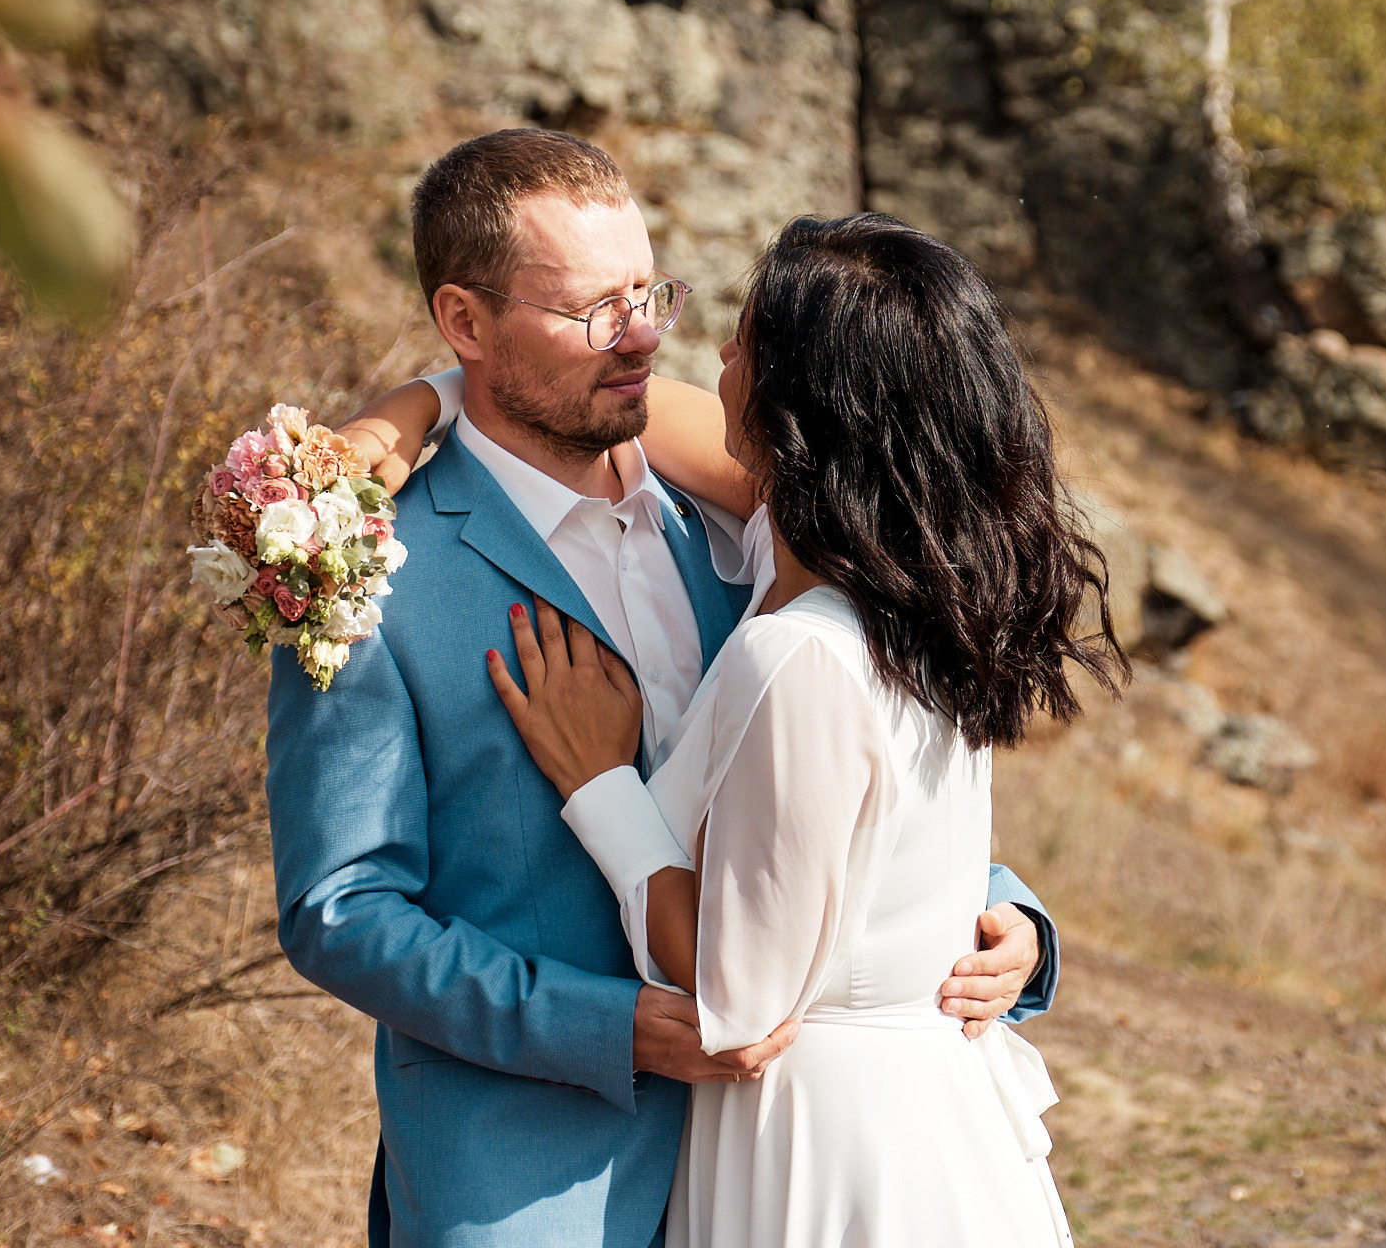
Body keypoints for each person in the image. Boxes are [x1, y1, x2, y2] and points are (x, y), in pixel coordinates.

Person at [270, 128, 1062, 1248]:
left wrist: (1003, 910)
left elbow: (833, 759)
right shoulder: (373, 574)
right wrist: (608, 1027)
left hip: (794, 1161)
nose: (641, 335)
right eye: (595, 307)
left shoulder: (746, 516)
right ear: (465, 322)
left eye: (649, 291)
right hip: (535, 1189)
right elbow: (339, 910)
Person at [493, 212, 1124, 1244]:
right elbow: (613, 410)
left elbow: (737, 1004)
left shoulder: (799, 653)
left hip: (830, 1155)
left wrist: (599, 783)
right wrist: (418, 404)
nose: (720, 358)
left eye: (746, 339)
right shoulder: (908, 603)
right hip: (916, 1121)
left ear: (802, 398)